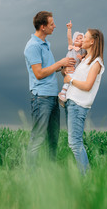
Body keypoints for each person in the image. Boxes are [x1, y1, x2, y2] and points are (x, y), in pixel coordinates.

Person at [24, 11, 76, 164]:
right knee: (38, 138)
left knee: (53, 138)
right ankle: (30, 176)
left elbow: (49, 69)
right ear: (42, 27)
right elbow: (39, 73)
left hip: (52, 97)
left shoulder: (46, 44)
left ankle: (50, 174)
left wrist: (63, 68)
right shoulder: (33, 46)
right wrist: (60, 63)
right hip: (41, 97)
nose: (55, 26)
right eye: (51, 24)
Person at [63, 28, 105, 174]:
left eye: (85, 37)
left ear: (92, 41)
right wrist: (66, 73)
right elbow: (75, 77)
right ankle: (85, 176)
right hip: (72, 103)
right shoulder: (85, 60)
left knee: (75, 143)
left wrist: (71, 80)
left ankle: (86, 177)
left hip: (78, 105)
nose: (82, 39)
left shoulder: (97, 63)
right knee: (73, 143)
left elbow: (87, 86)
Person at [58, 20, 87, 107]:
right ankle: (62, 93)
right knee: (69, 78)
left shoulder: (83, 50)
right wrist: (69, 29)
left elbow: (86, 55)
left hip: (75, 69)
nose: (78, 39)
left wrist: (82, 57)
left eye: (80, 38)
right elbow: (69, 38)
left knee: (71, 81)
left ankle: (64, 95)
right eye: (76, 38)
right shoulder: (72, 47)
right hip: (69, 66)